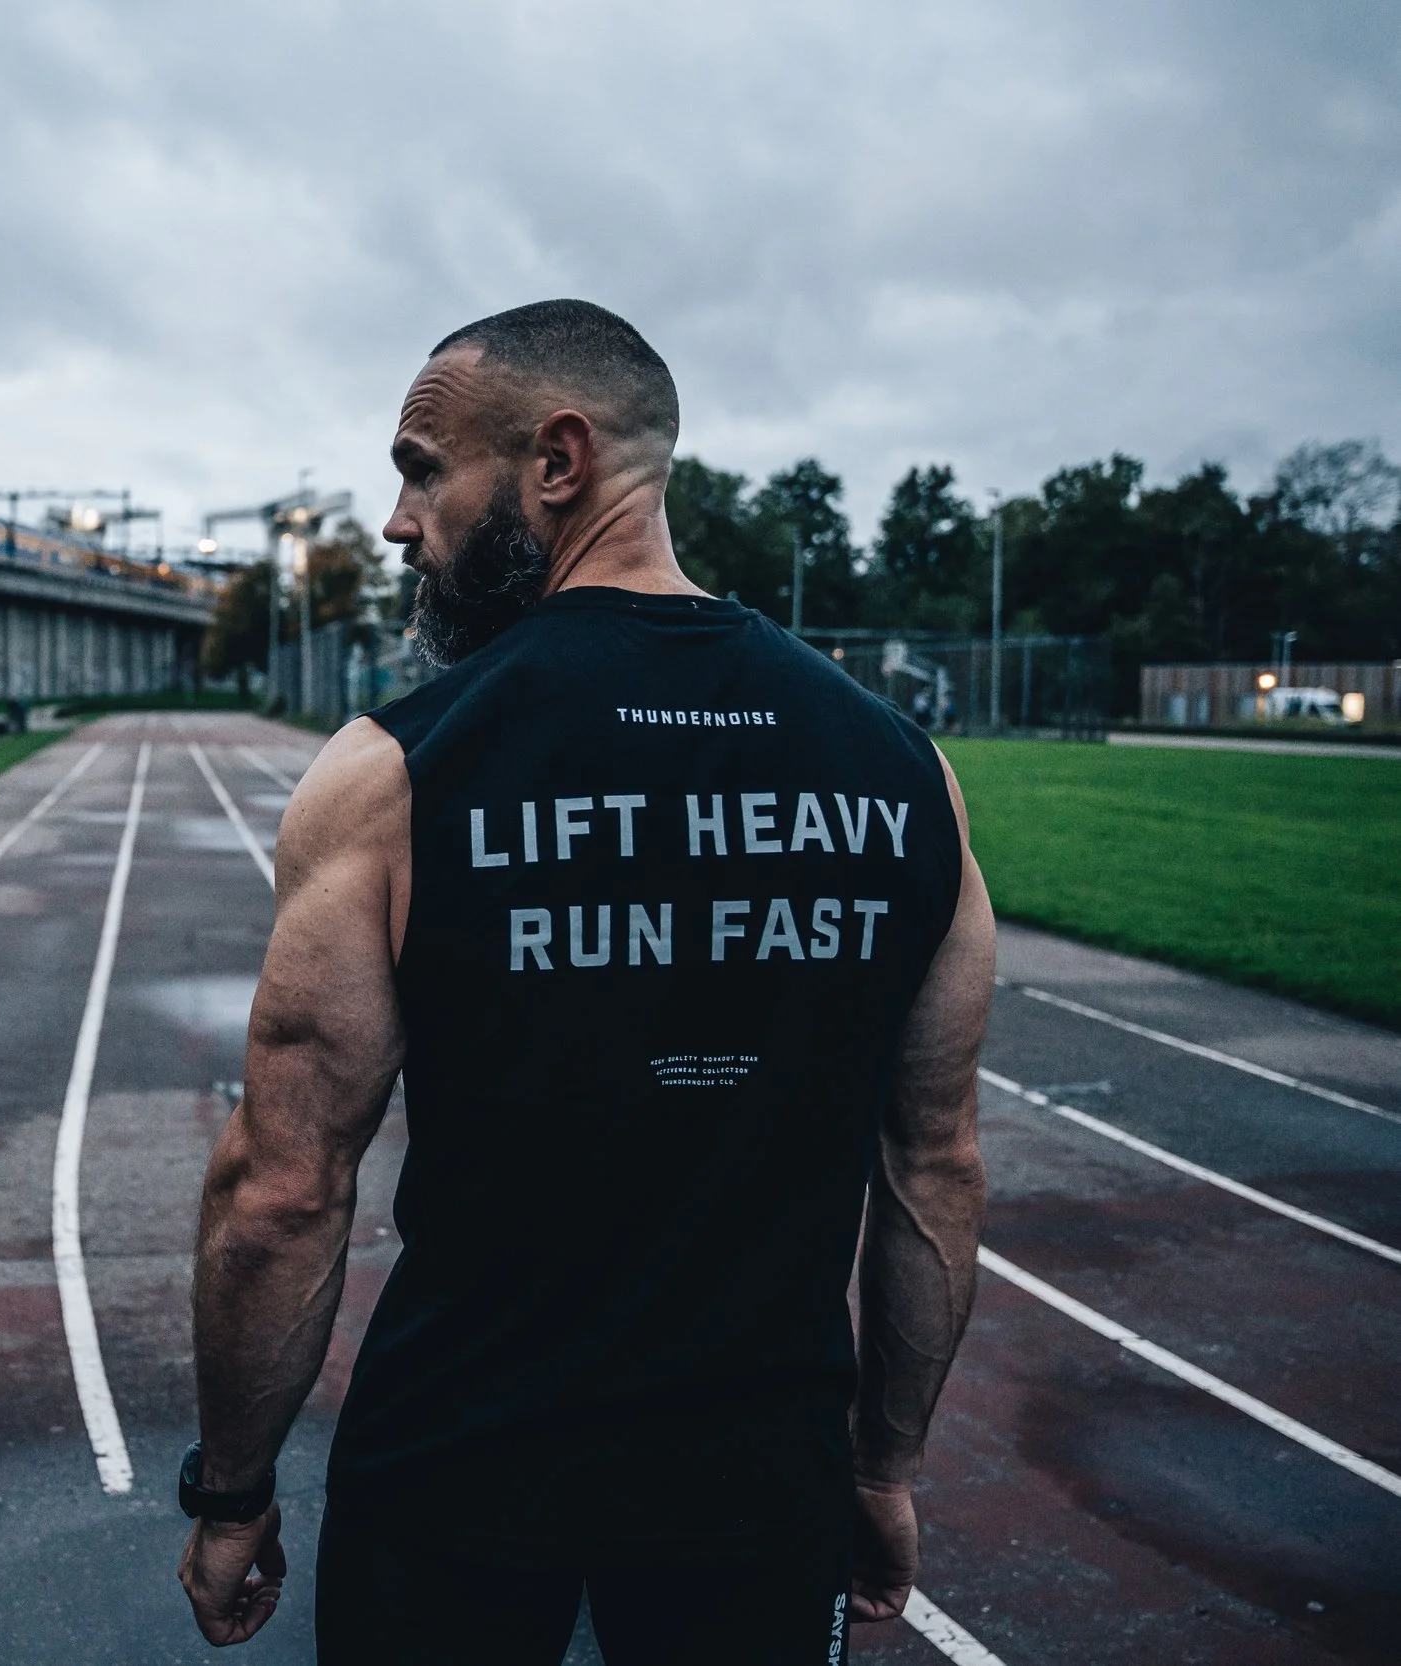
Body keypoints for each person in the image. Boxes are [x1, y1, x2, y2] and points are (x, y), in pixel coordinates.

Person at [177, 301, 995, 1662]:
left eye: (423, 467)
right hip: (758, 1482)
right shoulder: (906, 775)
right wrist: (883, 1467)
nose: (396, 520)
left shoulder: (395, 772)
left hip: (459, 1478)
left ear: (556, 463)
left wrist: (231, 1490)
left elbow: (282, 1187)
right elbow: (938, 1167)